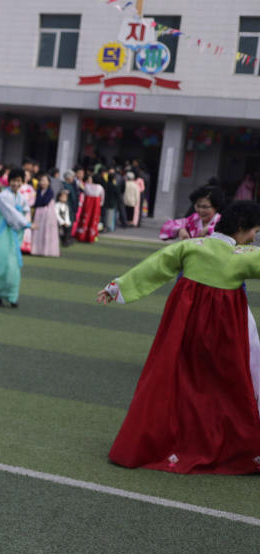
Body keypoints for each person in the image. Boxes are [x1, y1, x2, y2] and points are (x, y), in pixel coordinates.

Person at [97, 201, 260, 474]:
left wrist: (116, 288)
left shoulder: (191, 247)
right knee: (226, 387)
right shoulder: (243, 256)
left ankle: (160, 442)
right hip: (223, 335)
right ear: (242, 228)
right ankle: (228, 448)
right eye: (254, 230)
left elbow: (153, 267)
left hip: (182, 330)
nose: (255, 236)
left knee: (173, 382)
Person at [0, 169, 33, 307]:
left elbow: (25, 211)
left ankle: (12, 296)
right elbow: (11, 214)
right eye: (13, 180)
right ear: (9, 182)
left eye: (18, 181)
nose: (16, 183)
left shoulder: (21, 197)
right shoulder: (3, 196)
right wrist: (27, 224)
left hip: (12, 235)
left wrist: (27, 221)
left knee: (13, 266)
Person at [159, 185, 223, 241]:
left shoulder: (222, 221)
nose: (200, 210)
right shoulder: (193, 219)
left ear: (215, 207)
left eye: (204, 207)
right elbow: (166, 226)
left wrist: (210, 229)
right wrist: (180, 230)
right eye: (198, 206)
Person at [30, 174, 59, 257]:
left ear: (49, 182)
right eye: (41, 180)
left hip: (47, 214)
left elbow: (44, 202)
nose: (42, 182)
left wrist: (36, 204)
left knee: (46, 230)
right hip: (39, 213)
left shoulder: (50, 192)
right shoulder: (38, 191)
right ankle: (37, 249)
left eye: (44, 181)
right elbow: (37, 201)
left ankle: (47, 250)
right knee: (38, 230)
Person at [73, 173, 104, 243]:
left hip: (87, 206)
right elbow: (102, 200)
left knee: (85, 219)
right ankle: (91, 236)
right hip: (95, 207)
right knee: (93, 220)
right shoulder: (100, 187)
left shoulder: (87, 186)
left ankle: (81, 235)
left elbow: (84, 195)